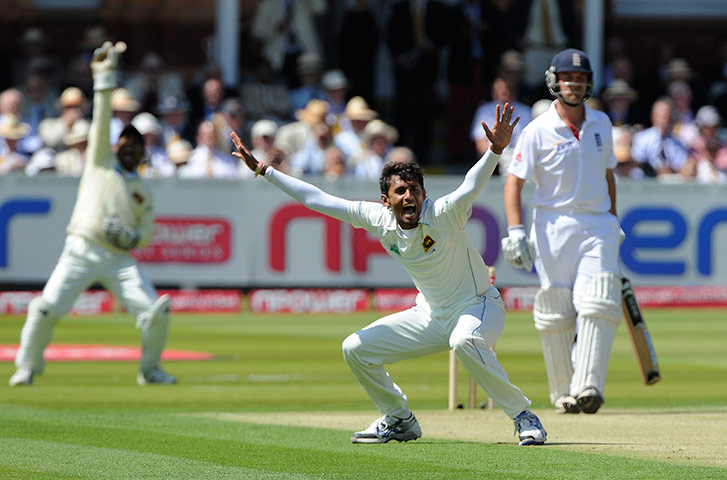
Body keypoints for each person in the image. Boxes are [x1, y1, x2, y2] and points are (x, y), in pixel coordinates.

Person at [231, 103, 547, 446]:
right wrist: (264, 169)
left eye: (415, 189)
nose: (409, 196)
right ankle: (399, 418)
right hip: (431, 315)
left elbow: (472, 183)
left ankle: (523, 415)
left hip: (478, 307)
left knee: (463, 340)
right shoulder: (377, 218)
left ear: (425, 194)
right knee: (355, 348)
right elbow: (316, 199)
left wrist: (496, 149)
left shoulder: (445, 213)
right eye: (401, 191)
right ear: (386, 200)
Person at [9, 41, 177, 387]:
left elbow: (146, 230)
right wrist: (105, 77)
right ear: (117, 147)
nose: (129, 150)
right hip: (81, 250)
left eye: (136, 146)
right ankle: (26, 367)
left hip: (119, 257)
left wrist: (131, 238)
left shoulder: (142, 189)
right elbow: (101, 120)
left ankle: (150, 370)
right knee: (44, 309)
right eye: (124, 144)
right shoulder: (100, 163)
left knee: (156, 313)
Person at [502, 48, 623, 415]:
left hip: (597, 223)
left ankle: (588, 386)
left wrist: (613, 219)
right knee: (556, 309)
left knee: (598, 300)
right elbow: (514, 182)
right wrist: (516, 231)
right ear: (555, 81)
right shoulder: (537, 130)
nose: (574, 84)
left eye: (580, 78)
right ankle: (563, 393)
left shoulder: (601, 123)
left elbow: (607, 175)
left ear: (588, 82)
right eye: (568, 78)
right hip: (552, 225)